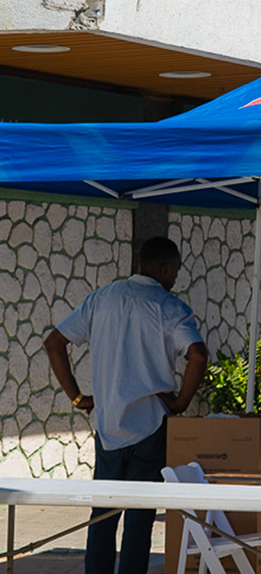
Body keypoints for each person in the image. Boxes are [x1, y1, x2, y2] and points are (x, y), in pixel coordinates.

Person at [44, 236, 209, 574]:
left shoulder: (102, 298)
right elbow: (198, 355)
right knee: (139, 517)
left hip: (107, 425)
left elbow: (54, 343)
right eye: (175, 270)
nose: (176, 277)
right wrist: (179, 403)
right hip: (150, 424)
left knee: (102, 515)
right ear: (164, 269)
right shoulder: (170, 307)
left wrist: (77, 397)